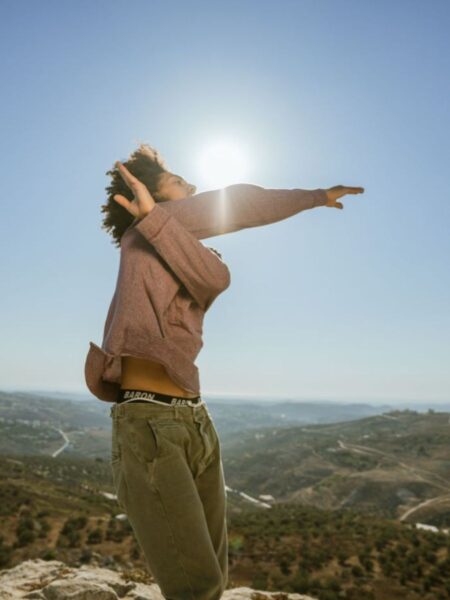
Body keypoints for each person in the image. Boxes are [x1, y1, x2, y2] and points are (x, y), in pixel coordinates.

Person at [89, 143, 364, 600]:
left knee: (211, 580)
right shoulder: (143, 235)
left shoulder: (188, 252)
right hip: (150, 427)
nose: (193, 187)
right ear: (149, 198)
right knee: (196, 587)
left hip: (194, 419)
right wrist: (312, 196)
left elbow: (214, 269)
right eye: (179, 181)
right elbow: (239, 203)